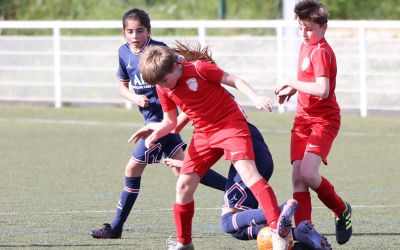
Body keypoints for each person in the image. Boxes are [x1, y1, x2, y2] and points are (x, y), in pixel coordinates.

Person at [138, 44, 298, 250]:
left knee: (249, 174)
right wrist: (155, 133)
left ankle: (278, 230)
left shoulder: (198, 69)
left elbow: (235, 80)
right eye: (159, 83)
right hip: (203, 133)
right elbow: (170, 123)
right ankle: (184, 244)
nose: (163, 86)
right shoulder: (163, 87)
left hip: (230, 124)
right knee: (183, 186)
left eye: (164, 80)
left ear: (175, 66)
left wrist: (256, 98)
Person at [90, 8, 227, 239]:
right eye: (130, 31)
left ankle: (116, 227)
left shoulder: (160, 51)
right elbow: (122, 87)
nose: (135, 36)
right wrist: (135, 97)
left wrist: (180, 118)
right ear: (124, 33)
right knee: (185, 171)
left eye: (140, 31)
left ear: (149, 31)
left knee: (134, 168)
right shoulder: (123, 53)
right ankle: (236, 188)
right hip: (156, 121)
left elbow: (184, 72)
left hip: (161, 122)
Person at [275, 0, 352, 246]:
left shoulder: (321, 51)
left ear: (323, 27)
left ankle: (342, 210)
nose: (304, 33)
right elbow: (307, 82)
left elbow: (322, 89)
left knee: (308, 173)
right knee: (297, 177)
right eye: (300, 28)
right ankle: (306, 233)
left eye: (309, 28)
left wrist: (292, 83)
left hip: (324, 120)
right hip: (302, 120)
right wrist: (292, 92)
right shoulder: (304, 45)